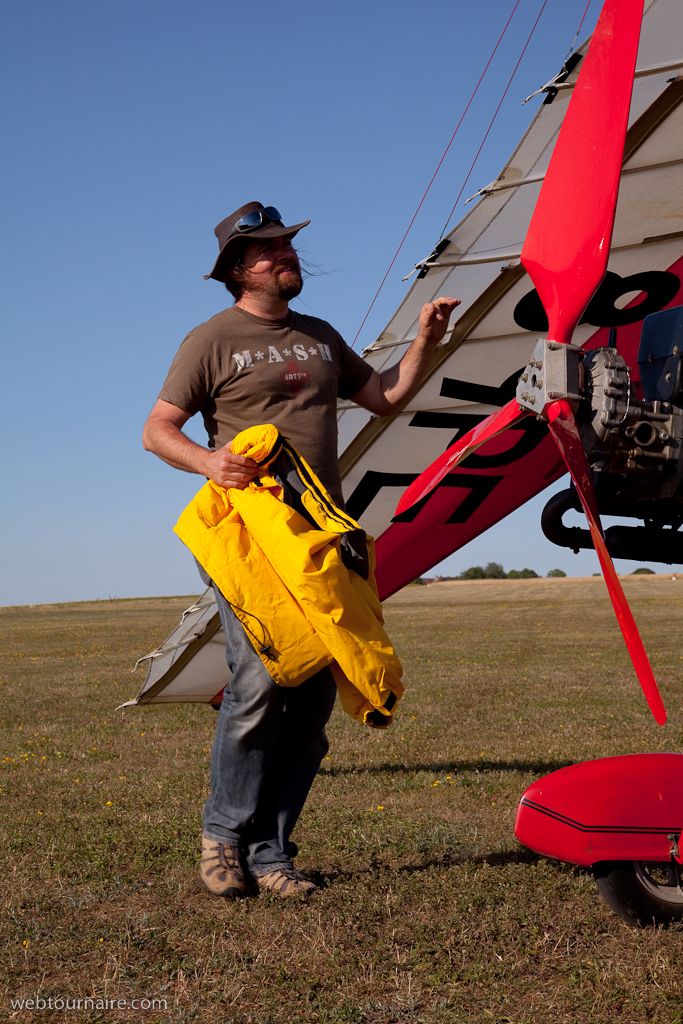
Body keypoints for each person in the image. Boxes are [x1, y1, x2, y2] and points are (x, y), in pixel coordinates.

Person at [142, 202, 459, 897]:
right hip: (250, 536)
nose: (285, 255)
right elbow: (157, 429)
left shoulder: (319, 336)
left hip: (322, 538)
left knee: (314, 698)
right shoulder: (211, 339)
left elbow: (384, 396)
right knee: (258, 683)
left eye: (286, 244)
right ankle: (222, 839)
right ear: (237, 269)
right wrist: (208, 462)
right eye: (268, 249)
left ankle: (270, 852)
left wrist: (423, 339)